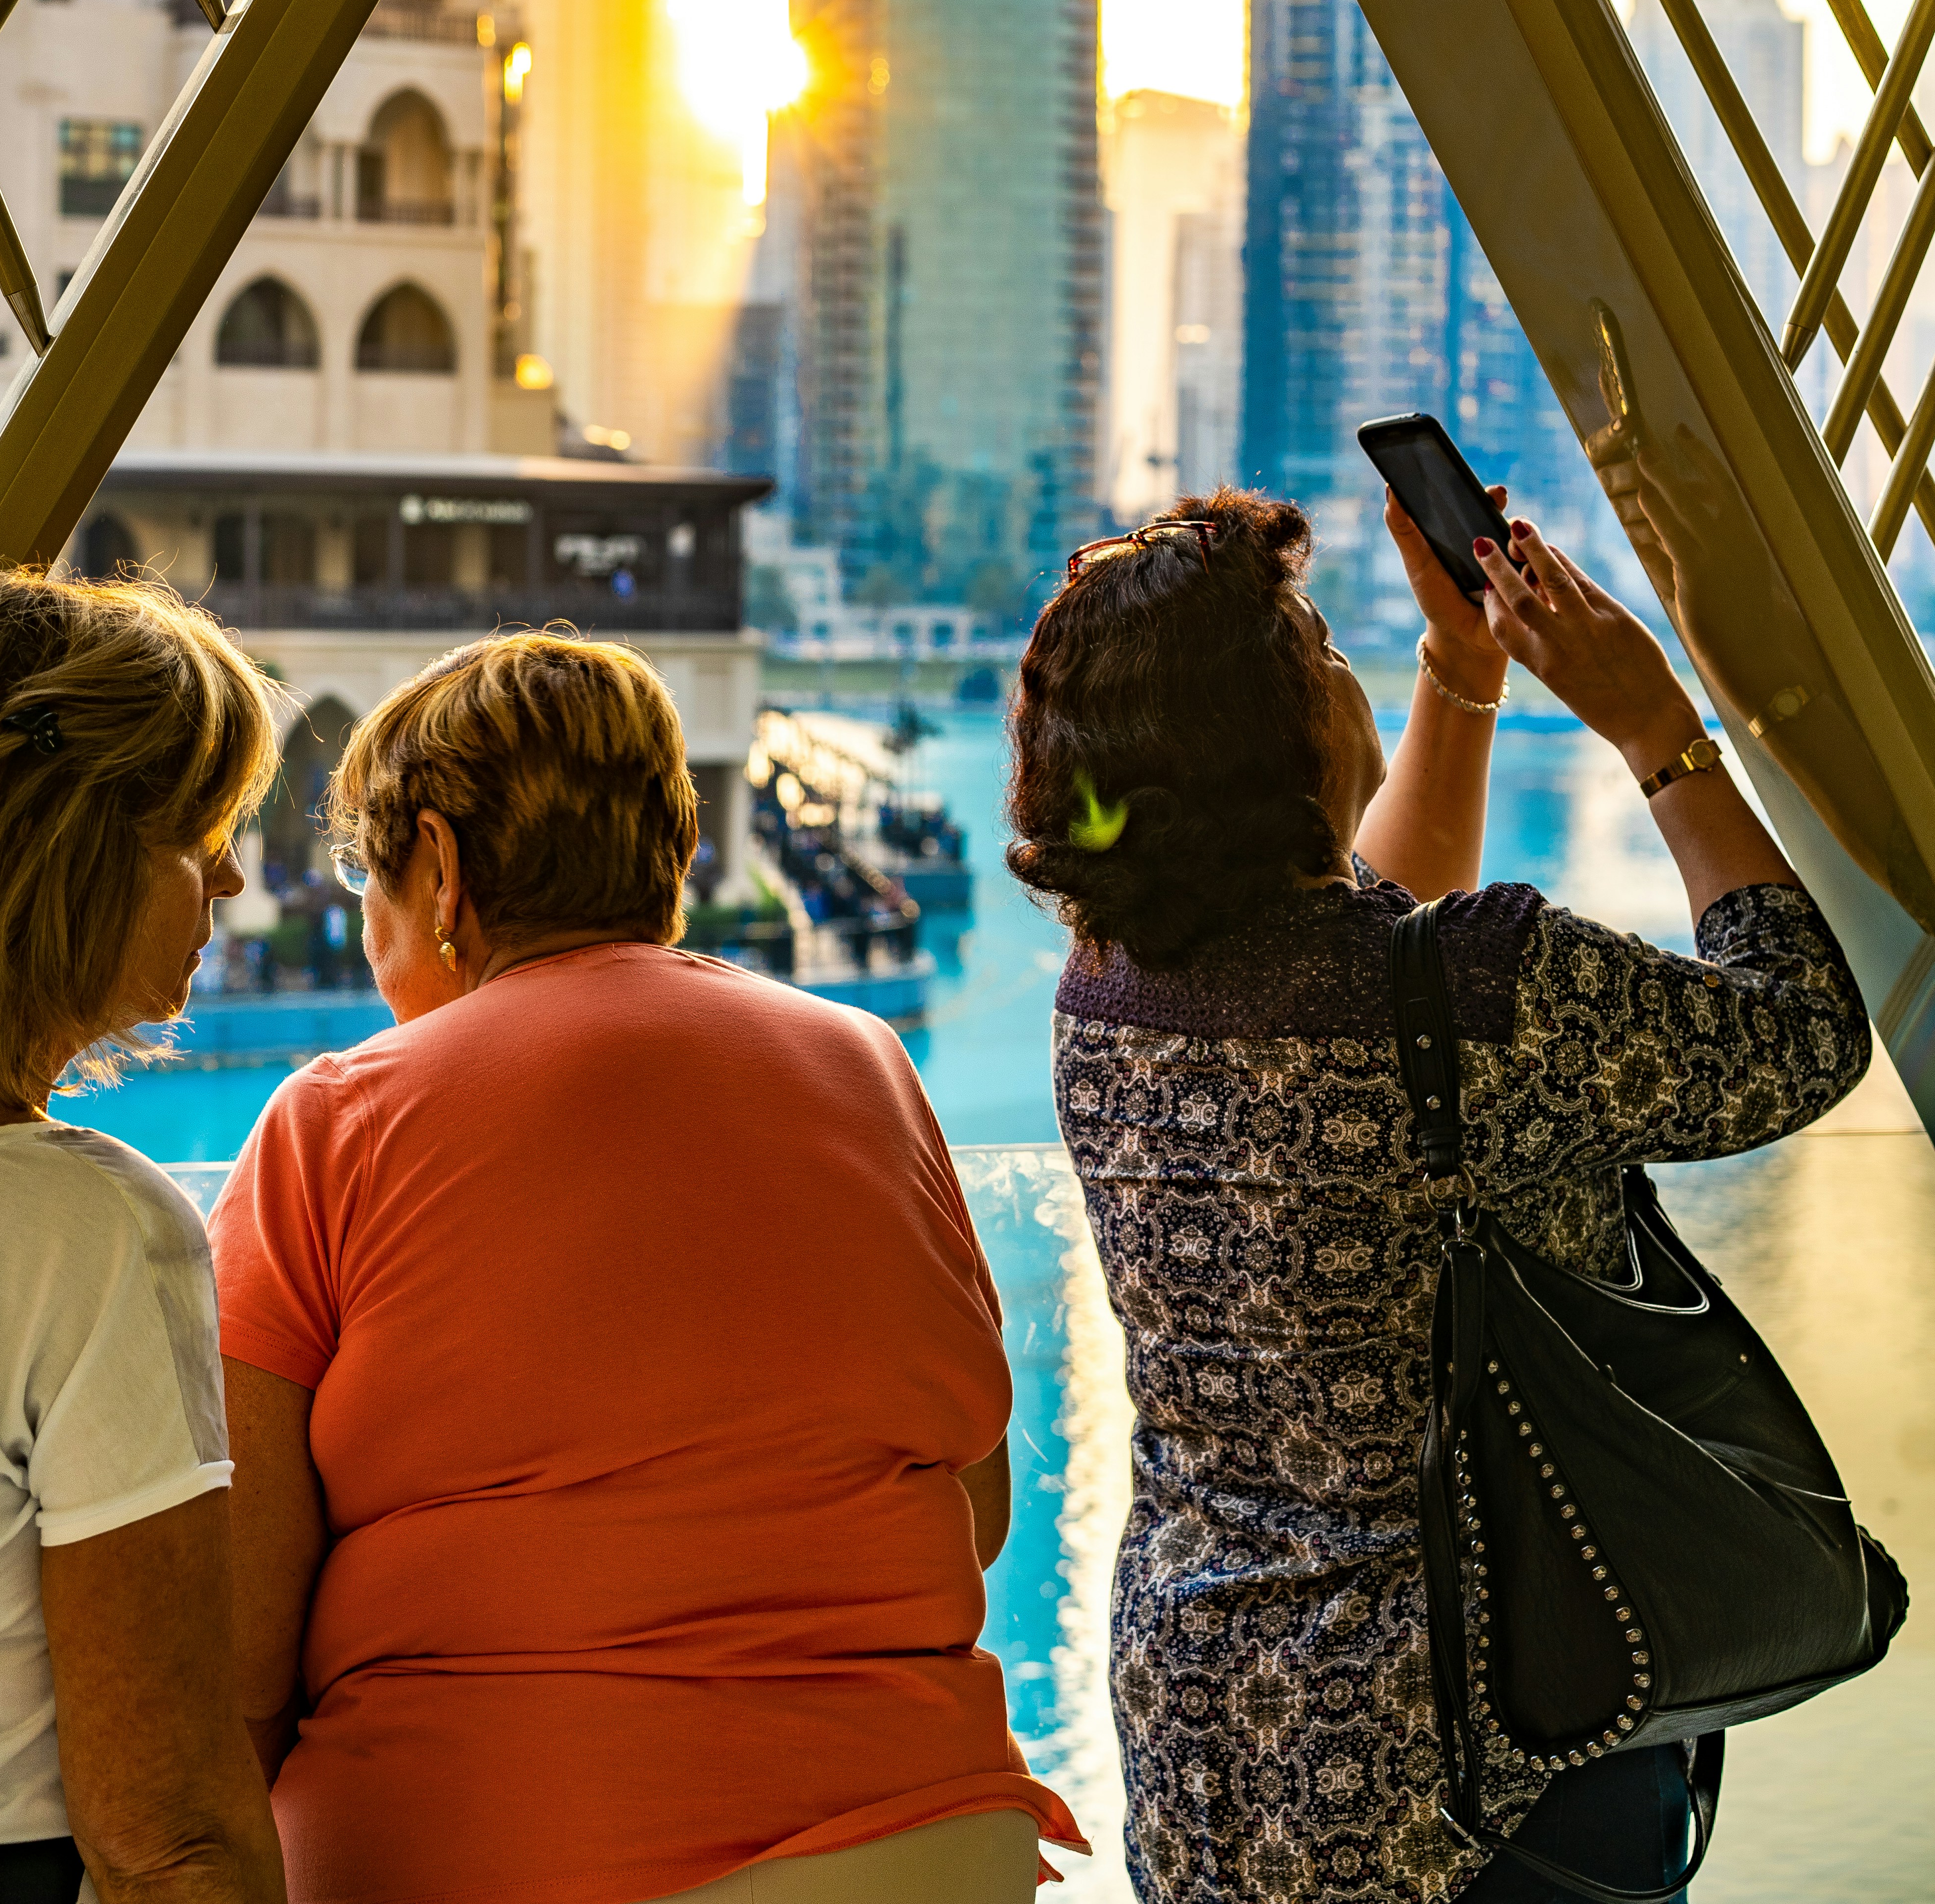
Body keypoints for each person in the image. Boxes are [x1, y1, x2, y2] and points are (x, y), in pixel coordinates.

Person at [1006, 483, 1872, 1904]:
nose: (1348, 672)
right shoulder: (1488, 987)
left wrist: (1458, 683)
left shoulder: (1108, 990)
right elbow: (1800, 1034)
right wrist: (1661, 736)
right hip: (1479, 1766)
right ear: (1280, 743)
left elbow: (1365, 953)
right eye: (1327, 653)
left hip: (1211, 1740)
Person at [210, 631, 1083, 1903]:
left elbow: (241, 1640)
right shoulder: (862, 1068)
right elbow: (978, 1507)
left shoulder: (334, 1121)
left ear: (439, 871)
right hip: (921, 1840)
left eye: (367, 876)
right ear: (671, 853)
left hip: (485, 1845)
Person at [0, 565, 287, 1904]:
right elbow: (167, 1834)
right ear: (72, 850)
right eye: (198, 828)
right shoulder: (79, 1234)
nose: (231, 872)